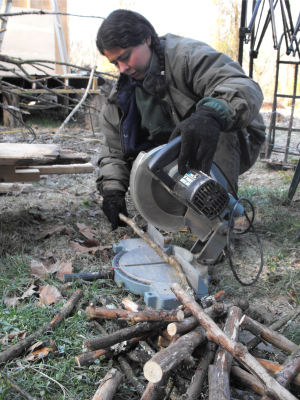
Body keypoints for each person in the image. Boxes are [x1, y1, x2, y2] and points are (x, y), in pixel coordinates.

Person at [96, 9, 266, 230]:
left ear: (147, 38)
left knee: (215, 121)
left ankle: (219, 214)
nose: (122, 68)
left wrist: (210, 115)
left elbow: (243, 86)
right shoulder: (120, 100)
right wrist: (112, 190)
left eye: (126, 57)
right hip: (181, 156)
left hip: (234, 139)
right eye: (115, 63)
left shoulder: (187, 55)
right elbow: (113, 150)